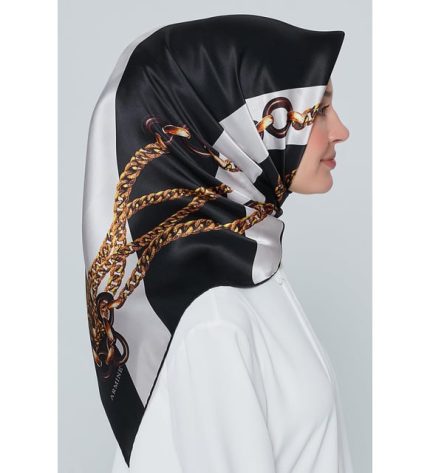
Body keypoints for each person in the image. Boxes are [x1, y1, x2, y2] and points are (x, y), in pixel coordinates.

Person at [82, 14, 353, 473]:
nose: (341, 130)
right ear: (239, 128)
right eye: (319, 109)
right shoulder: (213, 317)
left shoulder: (251, 271)